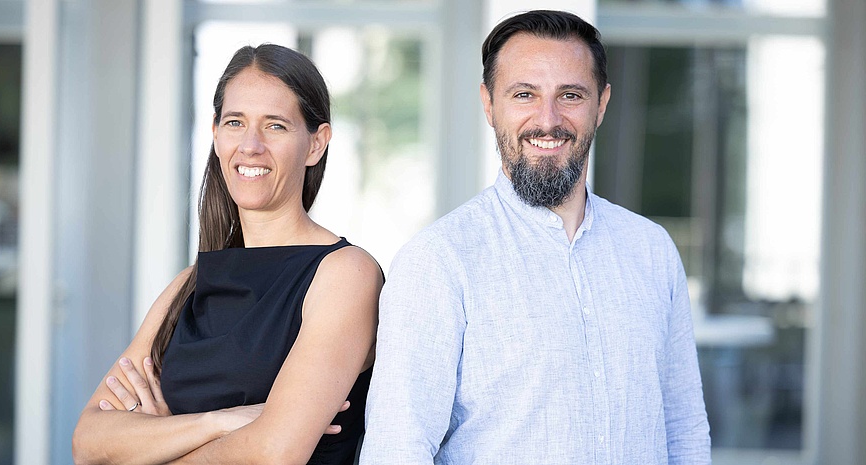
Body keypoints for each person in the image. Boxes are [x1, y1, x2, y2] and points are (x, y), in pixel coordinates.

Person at [360, 10, 711, 464]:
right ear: (488, 104)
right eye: (524, 94)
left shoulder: (651, 250)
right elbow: (397, 449)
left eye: (570, 95)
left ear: (601, 105)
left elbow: (683, 431)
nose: (548, 120)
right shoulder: (439, 261)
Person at [72, 43, 382, 465]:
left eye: (275, 126)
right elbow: (89, 442)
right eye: (235, 122)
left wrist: (152, 440)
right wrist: (217, 422)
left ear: (316, 144)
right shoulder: (190, 283)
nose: (250, 145)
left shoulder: (345, 275)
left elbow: (273, 454)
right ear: (216, 133)